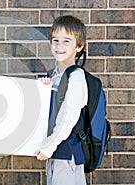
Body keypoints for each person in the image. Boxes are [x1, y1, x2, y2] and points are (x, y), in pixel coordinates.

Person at [35, 15, 88, 185]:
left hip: (67, 154)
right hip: (55, 153)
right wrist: (44, 90)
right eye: (55, 40)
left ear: (79, 47)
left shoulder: (76, 77)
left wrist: (49, 147)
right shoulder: (55, 76)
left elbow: (68, 118)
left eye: (66, 41)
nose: (59, 46)